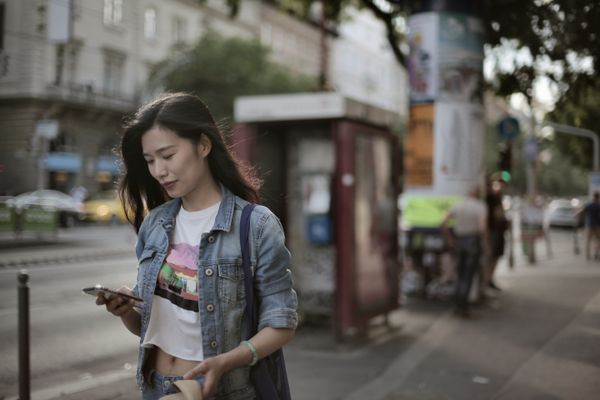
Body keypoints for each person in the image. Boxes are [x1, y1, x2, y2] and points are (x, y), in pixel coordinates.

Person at [96, 92, 298, 399]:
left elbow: (282, 323)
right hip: (156, 388)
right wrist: (126, 311)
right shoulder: (155, 225)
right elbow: (149, 328)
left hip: (218, 390)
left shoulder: (256, 226)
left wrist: (226, 362)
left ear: (203, 145)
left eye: (168, 155)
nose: (158, 171)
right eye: (150, 160)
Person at [441, 185, 488, 317]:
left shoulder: (458, 205)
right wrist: (485, 244)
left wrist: (450, 239)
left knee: (460, 273)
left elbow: (442, 221)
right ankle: (462, 306)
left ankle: (457, 303)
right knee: (468, 275)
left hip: (460, 241)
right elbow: (482, 227)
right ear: (477, 193)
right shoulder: (480, 206)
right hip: (472, 241)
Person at [484, 175, 509, 291]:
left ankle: (488, 279)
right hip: (494, 230)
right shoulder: (494, 197)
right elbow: (498, 214)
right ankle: (488, 279)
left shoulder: (488, 196)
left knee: (493, 256)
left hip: (492, 229)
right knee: (492, 255)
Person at [581, 192, 600, 261]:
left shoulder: (589, 205)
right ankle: (596, 254)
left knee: (588, 240)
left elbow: (582, 211)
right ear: (598, 197)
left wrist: (575, 215)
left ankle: (588, 255)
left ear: (593, 197)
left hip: (590, 225)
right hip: (597, 226)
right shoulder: (598, 205)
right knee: (597, 240)